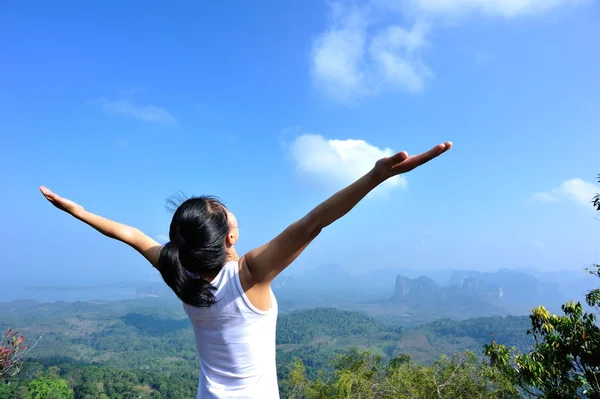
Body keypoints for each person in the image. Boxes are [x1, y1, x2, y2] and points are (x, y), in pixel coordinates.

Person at [40, 141, 452, 398]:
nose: (230, 212)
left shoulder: (177, 272)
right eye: (224, 213)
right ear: (229, 239)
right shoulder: (249, 273)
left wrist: (77, 210)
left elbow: (129, 234)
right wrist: (375, 177)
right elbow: (313, 222)